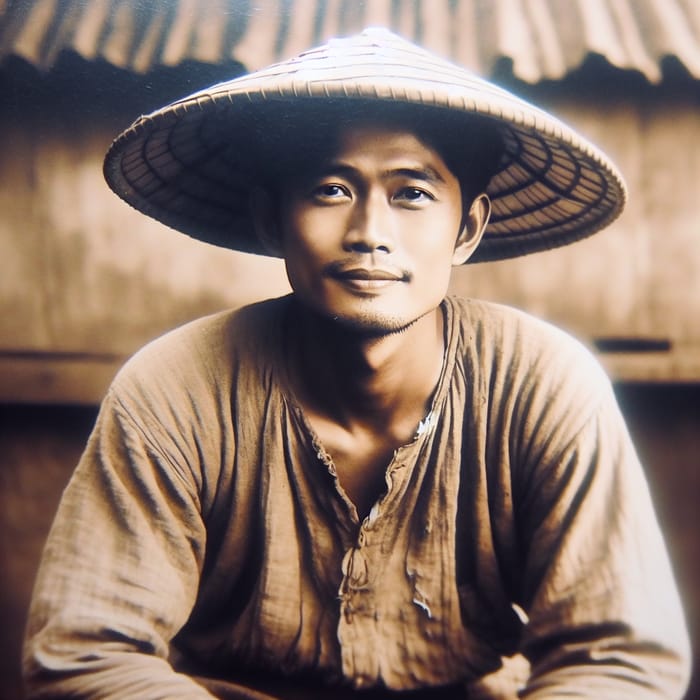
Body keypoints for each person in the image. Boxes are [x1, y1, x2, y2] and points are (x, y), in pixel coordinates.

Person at [23, 28, 690, 699]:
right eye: (332, 190)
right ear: (272, 219)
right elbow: (84, 655)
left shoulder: (545, 386)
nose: (371, 231)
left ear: (468, 229)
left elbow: (620, 659)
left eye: (412, 194)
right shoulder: (174, 389)